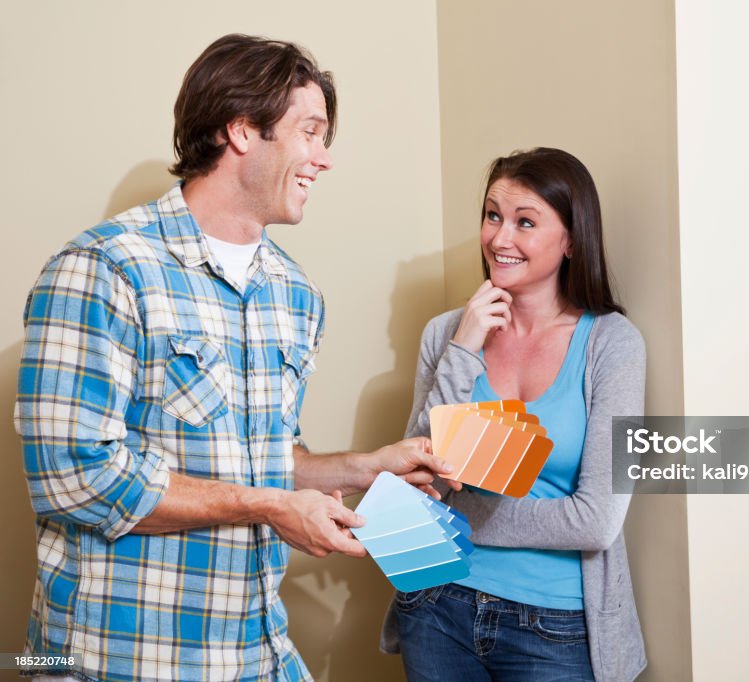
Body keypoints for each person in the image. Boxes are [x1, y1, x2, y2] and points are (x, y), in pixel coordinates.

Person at [15, 34, 452, 682]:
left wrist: (364, 467)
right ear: (242, 128)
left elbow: (268, 457)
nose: (322, 159)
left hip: (253, 652)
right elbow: (74, 477)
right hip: (123, 658)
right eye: (311, 131)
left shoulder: (295, 296)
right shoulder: (105, 269)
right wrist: (270, 506)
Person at [381, 148, 647, 681]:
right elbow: (411, 484)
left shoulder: (612, 345)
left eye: (525, 222)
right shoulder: (447, 333)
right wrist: (464, 348)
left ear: (572, 240)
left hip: (557, 627)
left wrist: (455, 521)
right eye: (492, 215)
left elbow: (596, 521)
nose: (500, 238)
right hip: (435, 607)